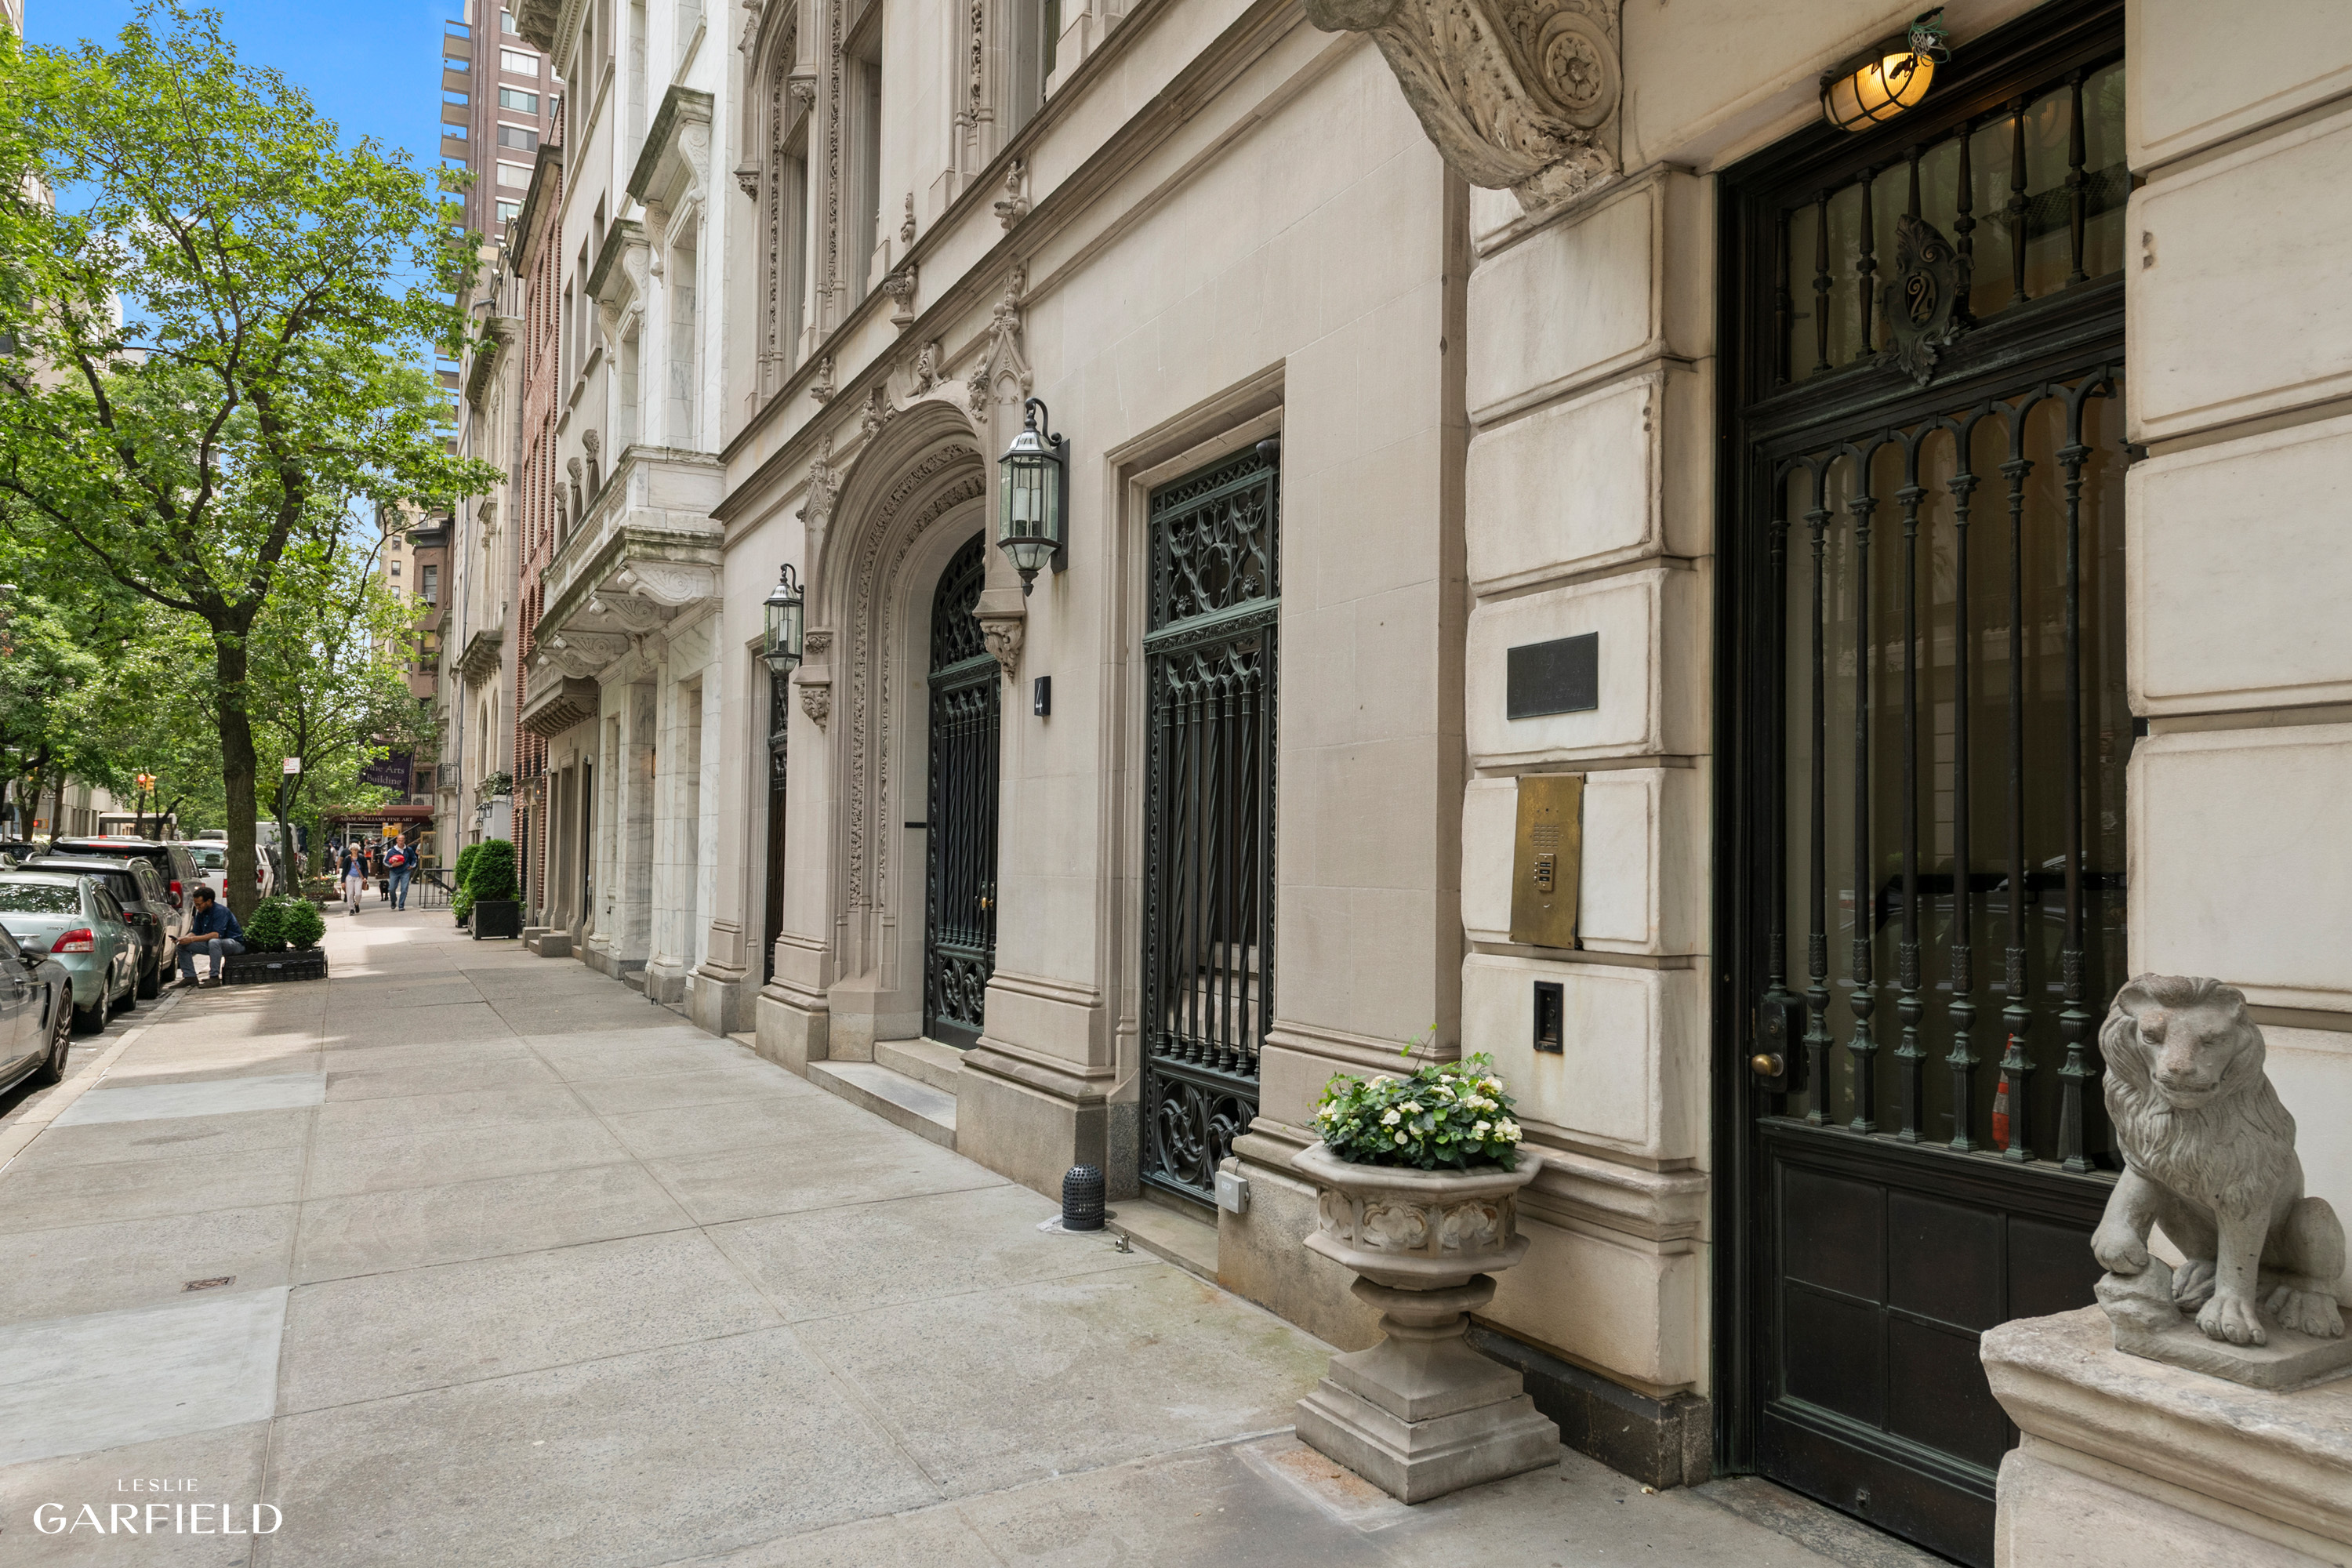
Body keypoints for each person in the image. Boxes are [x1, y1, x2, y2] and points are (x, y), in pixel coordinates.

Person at [175, 885, 245, 987]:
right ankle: (190, 977)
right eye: (196, 905)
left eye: (199, 904)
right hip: (213, 945)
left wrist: (191, 939)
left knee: (214, 942)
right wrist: (184, 939)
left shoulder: (220, 911)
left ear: (208, 901)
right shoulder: (201, 913)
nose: (197, 907)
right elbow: (196, 931)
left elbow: (216, 935)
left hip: (233, 944)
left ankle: (214, 977)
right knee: (181, 946)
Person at [385, 832, 412, 911]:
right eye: (399, 840)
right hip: (394, 871)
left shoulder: (408, 850)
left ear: (404, 841)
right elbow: (385, 861)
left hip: (405, 871)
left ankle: (401, 905)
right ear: (397, 841)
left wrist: (411, 865)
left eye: (402, 840)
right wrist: (391, 865)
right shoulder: (392, 851)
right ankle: (393, 901)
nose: (401, 842)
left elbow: (414, 859)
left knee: (404, 889)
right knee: (391, 889)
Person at [340, 843, 365, 915]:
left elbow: (365, 868)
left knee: (358, 894)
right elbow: (344, 870)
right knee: (350, 893)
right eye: (353, 850)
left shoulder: (361, 858)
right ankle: (351, 909)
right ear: (351, 850)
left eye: (356, 850)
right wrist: (343, 881)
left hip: (358, 877)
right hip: (349, 877)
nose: (355, 851)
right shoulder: (347, 859)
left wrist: (365, 877)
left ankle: (356, 903)